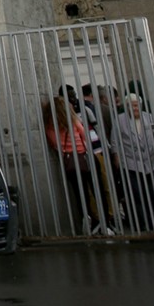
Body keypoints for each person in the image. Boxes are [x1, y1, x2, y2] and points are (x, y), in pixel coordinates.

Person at [44, 94, 105, 233]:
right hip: (85, 157)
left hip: (70, 162)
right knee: (98, 190)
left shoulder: (50, 126)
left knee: (80, 194)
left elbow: (55, 145)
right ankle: (104, 221)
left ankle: (87, 220)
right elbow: (85, 136)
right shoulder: (74, 121)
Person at [113, 93, 154, 231]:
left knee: (153, 191)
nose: (135, 108)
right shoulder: (119, 120)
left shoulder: (148, 117)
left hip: (150, 160)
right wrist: (117, 156)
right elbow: (115, 140)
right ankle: (142, 222)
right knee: (136, 193)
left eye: (137, 105)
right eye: (131, 105)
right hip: (130, 161)